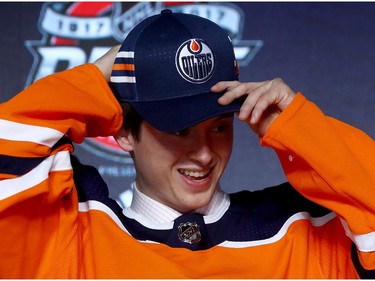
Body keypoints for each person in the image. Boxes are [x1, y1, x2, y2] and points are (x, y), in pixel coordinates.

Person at [0, 10, 374, 279]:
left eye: (219, 127)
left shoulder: (304, 229)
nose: (204, 153)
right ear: (124, 132)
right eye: (179, 131)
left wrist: (299, 126)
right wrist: (97, 79)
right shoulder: (73, 235)